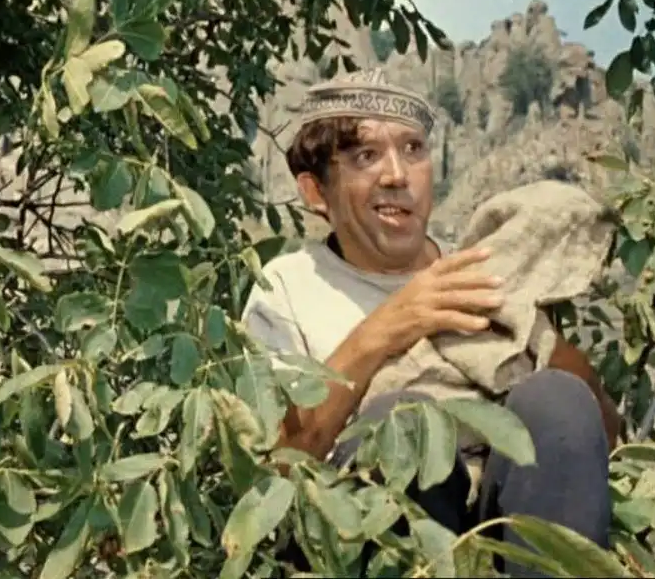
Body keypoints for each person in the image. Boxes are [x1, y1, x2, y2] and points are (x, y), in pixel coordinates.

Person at [241, 68, 620, 577]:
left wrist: (542, 343)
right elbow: (274, 471)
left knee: (557, 398)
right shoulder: (286, 287)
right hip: (360, 549)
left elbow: (604, 441)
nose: (397, 175)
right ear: (315, 191)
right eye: (365, 156)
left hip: (500, 538)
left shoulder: (480, 273)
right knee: (403, 418)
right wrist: (388, 328)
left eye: (414, 149)